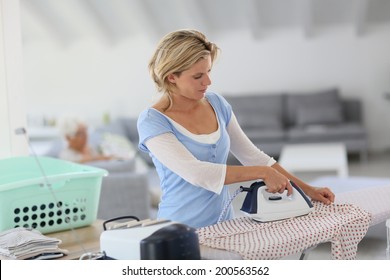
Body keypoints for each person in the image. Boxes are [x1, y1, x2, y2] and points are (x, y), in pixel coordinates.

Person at [137, 29, 335, 228]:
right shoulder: (153, 121)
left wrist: (308, 190)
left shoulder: (217, 104)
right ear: (172, 77)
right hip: (178, 230)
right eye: (198, 76)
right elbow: (197, 173)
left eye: (208, 71)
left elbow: (252, 155)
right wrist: (262, 173)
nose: (208, 82)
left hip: (225, 224)